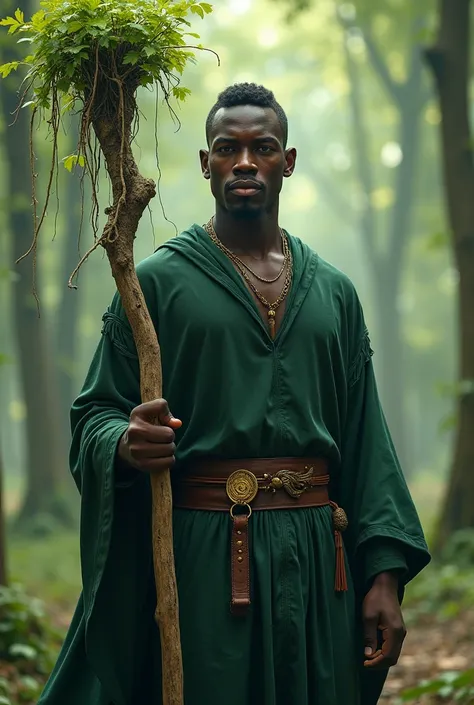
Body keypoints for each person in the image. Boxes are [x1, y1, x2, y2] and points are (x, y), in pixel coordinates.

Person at [38, 83, 430, 705]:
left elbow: (365, 442)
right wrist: (124, 441)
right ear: (206, 163)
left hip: (317, 561)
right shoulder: (156, 286)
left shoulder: (334, 293)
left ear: (288, 160)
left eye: (262, 148)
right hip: (202, 556)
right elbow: (95, 412)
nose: (245, 162)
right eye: (228, 148)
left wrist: (382, 575)